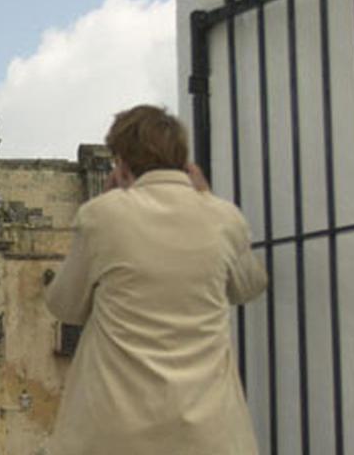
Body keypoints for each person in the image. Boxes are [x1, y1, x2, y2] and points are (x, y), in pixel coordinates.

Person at [45, 105, 267, 455]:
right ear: (182, 159)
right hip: (209, 434)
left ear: (121, 163)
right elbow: (249, 286)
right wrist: (206, 198)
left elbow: (64, 305)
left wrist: (106, 202)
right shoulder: (223, 218)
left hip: (114, 433)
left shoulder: (102, 216)